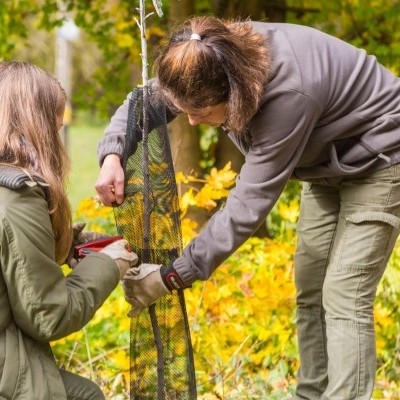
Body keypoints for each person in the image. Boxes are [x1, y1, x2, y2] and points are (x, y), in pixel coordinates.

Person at [95, 16, 400, 400]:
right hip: (325, 165)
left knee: (344, 292)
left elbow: (247, 207)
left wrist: (173, 276)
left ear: (236, 94)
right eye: (185, 109)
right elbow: (143, 102)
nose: (191, 120)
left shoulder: (288, 95)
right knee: (310, 288)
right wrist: (112, 154)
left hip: (382, 158)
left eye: (203, 112)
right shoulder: (202, 57)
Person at [0, 61, 138, 400]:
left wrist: (63, 242)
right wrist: (111, 263)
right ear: (37, 125)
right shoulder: (16, 198)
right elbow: (48, 315)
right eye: (55, 127)